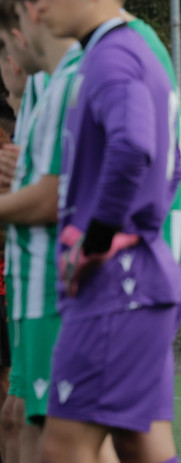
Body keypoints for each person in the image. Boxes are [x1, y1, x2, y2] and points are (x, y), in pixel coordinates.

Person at [33, 0, 181, 461]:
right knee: (140, 442)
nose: (36, 7)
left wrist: (95, 241)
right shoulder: (126, 49)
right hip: (139, 282)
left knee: (62, 447)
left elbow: (135, 147)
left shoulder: (112, 54)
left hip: (117, 286)